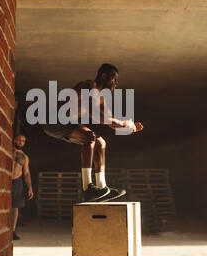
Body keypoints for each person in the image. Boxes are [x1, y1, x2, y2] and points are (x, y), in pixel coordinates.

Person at [41, 63, 143, 202]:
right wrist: (124, 123)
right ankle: (87, 188)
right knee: (89, 137)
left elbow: (110, 122)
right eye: (114, 79)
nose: (116, 83)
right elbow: (93, 112)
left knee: (101, 142)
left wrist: (129, 127)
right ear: (104, 76)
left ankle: (102, 188)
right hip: (52, 120)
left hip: (67, 123)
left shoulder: (102, 98)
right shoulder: (88, 86)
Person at [10, 133, 33, 240]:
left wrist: (30, 187)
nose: (21, 142)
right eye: (19, 140)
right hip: (6, 180)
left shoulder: (24, 157)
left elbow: (27, 173)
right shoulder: (7, 150)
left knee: (15, 207)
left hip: (17, 181)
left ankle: (12, 231)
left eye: (23, 141)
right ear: (14, 140)